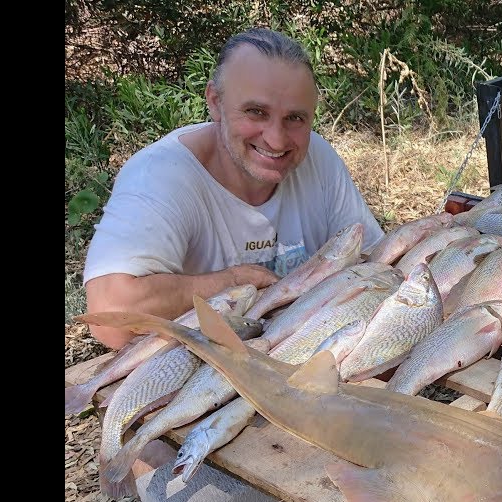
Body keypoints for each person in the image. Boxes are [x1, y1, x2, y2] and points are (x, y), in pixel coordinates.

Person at [82, 27, 385, 350]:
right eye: (256, 112)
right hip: (190, 374)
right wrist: (234, 283)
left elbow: (377, 262)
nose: (277, 139)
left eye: (295, 118)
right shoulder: (161, 175)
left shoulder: (317, 158)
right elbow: (109, 318)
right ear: (215, 102)